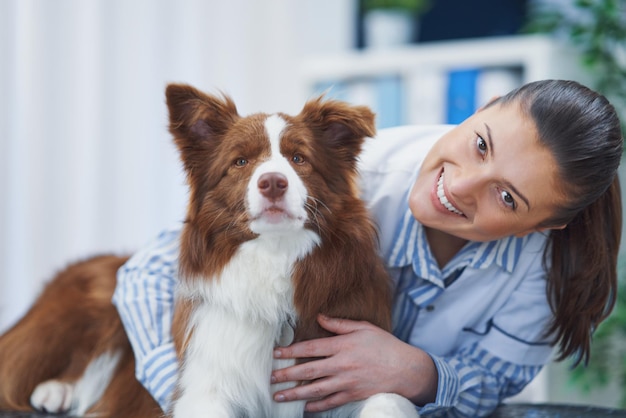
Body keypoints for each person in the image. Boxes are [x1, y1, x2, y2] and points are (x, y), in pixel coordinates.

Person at [112, 79, 623, 417]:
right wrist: (182, 385)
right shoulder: (345, 173)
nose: (462, 185)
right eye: (480, 145)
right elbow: (145, 276)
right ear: (480, 110)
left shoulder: (552, 270)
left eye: (507, 197)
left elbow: (496, 380)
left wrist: (421, 374)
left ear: (545, 226)